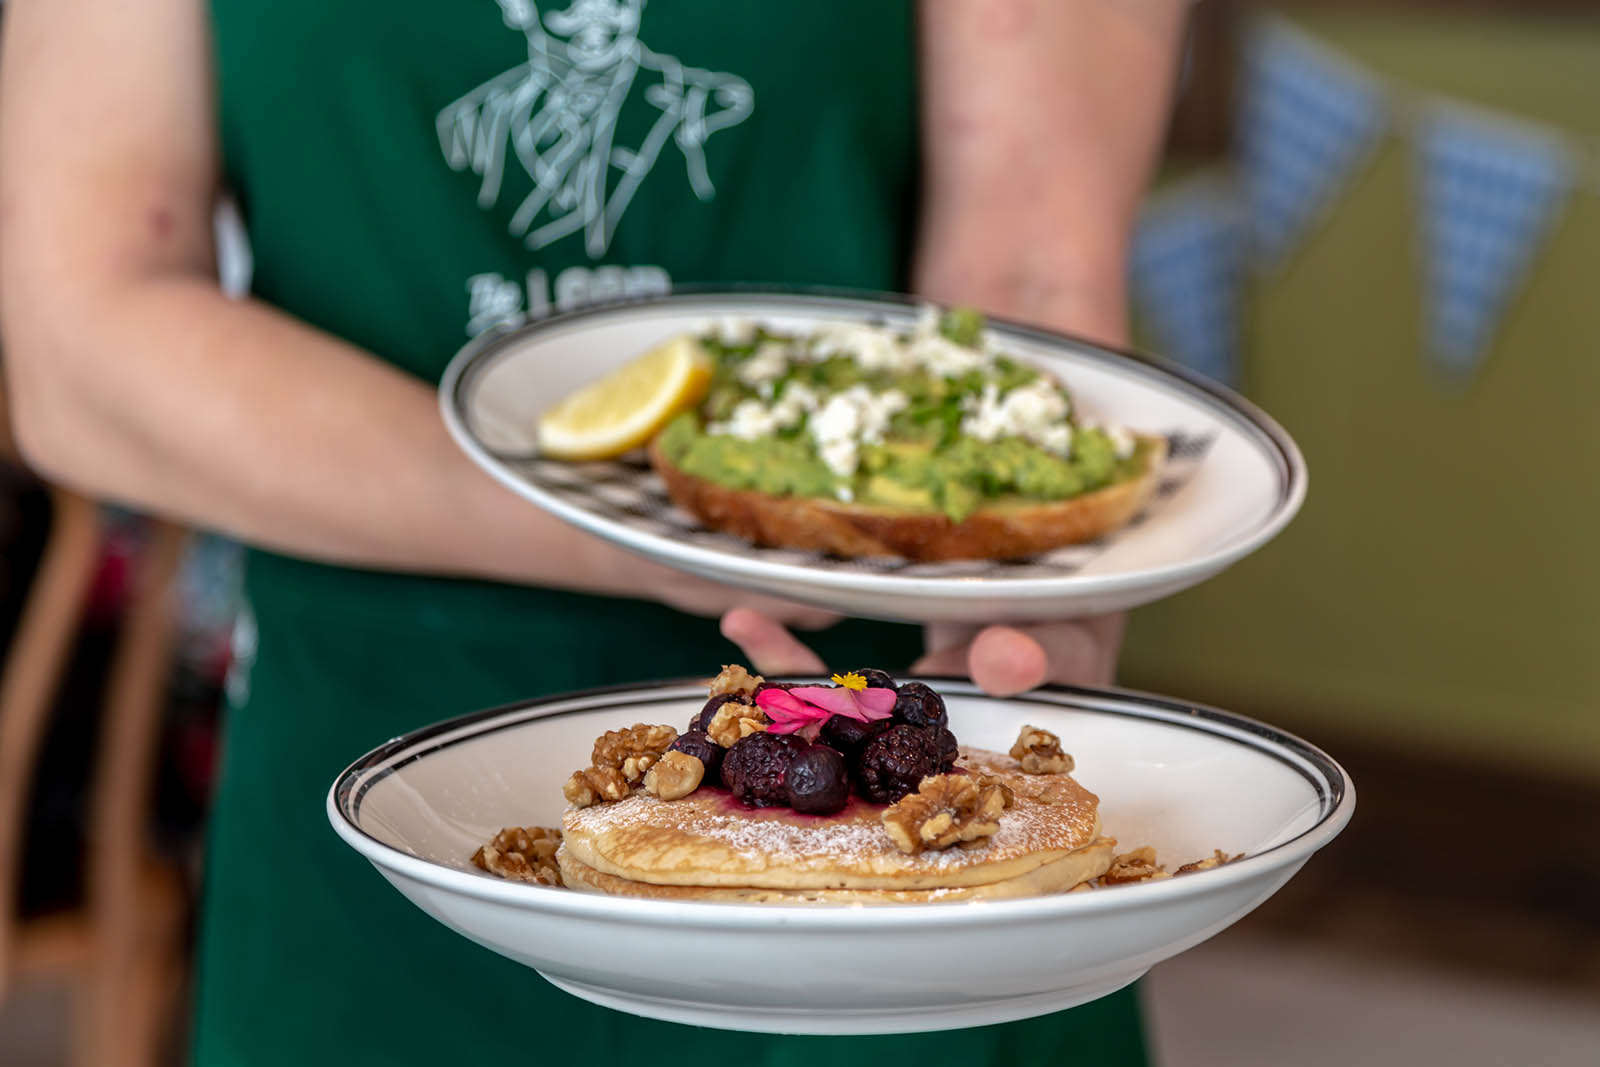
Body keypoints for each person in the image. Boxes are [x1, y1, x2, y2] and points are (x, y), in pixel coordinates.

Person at [0, 0, 1188, 1063]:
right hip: (374, 775)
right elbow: (79, 354)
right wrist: (638, 535)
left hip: (905, 827)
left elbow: (1028, 268)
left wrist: (1036, 585)